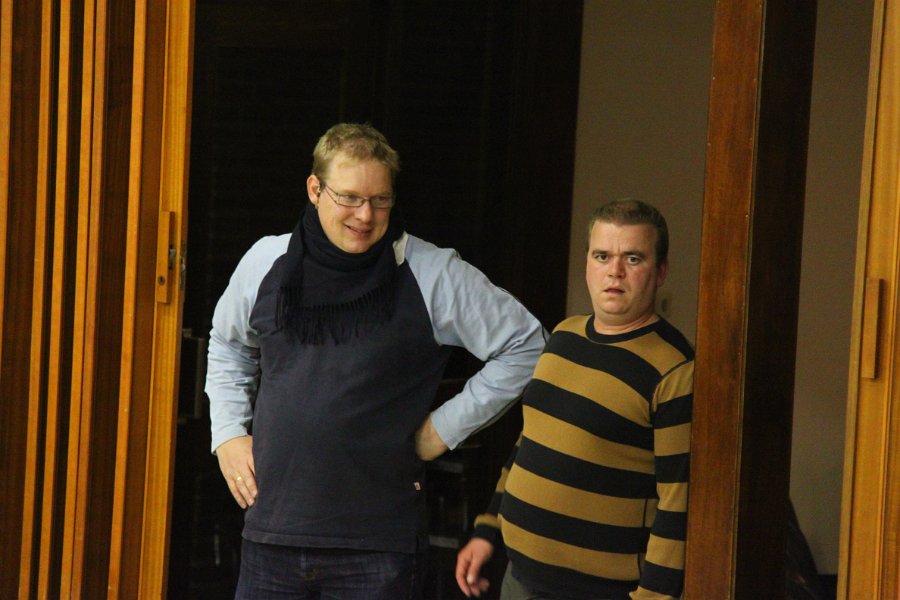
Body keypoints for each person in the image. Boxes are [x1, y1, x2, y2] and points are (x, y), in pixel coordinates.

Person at [205, 122, 546, 599]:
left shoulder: (430, 272)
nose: (365, 215)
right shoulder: (266, 261)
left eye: (380, 200)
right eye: (349, 198)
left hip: (378, 547)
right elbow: (228, 345)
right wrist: (228, 433)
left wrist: (442, 430)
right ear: (314, 190)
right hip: (272, 533)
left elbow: (527, 344)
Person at [455, 199, 694, 600]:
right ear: (587, 264)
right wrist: (488, 528)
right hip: (518, 578)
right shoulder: (564, 336)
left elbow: (679, 503)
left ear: (660, 272)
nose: (614, 271)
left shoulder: (675, 370)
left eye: (633, 258)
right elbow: (530, 442)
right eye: (602, 256)